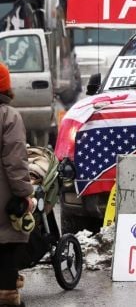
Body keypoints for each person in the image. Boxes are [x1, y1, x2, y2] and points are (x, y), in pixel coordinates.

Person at [0, 62, 34, 307]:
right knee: (6, 250)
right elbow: (16, 162)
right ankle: (8, 298)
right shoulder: (8, 116)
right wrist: (25, 195)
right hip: (3, 200)